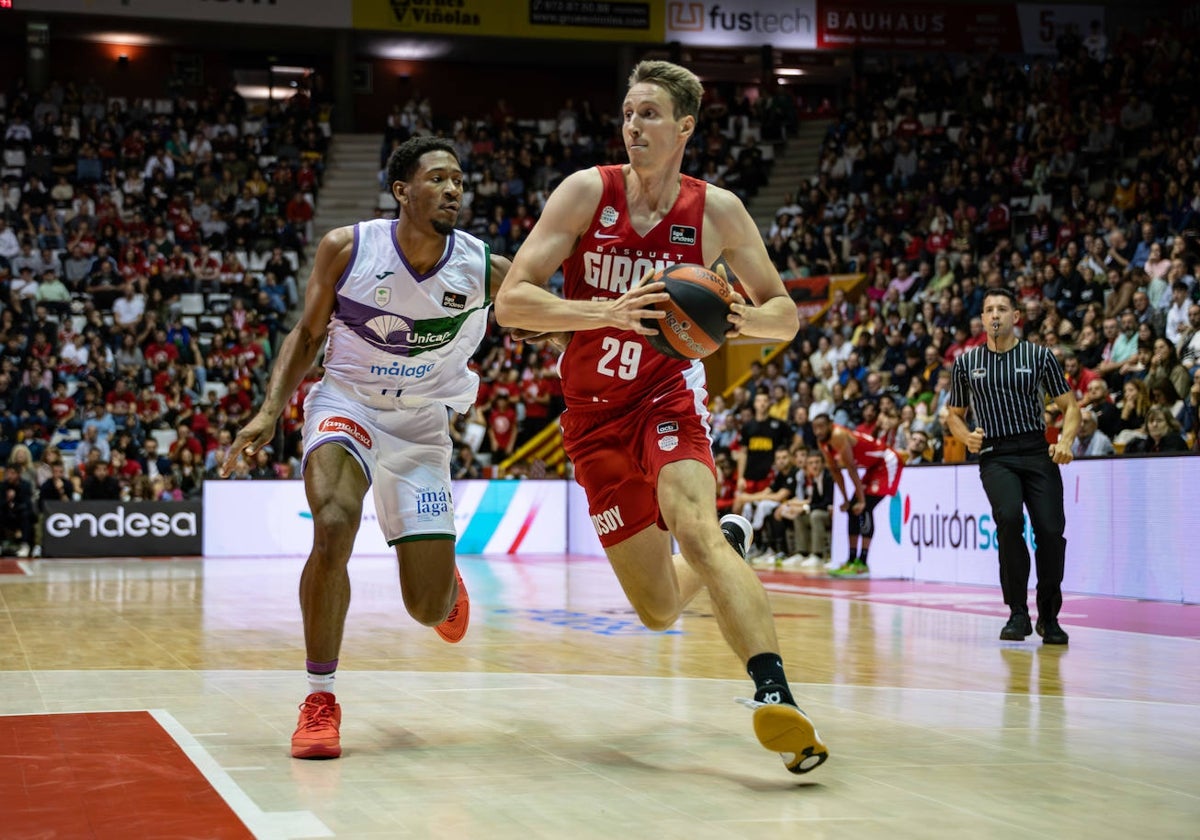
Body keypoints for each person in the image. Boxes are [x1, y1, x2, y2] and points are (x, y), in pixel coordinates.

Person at [494, 60, 828, 775]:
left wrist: (735, 321)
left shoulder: (718, 211)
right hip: (590, 420)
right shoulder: (587, 191)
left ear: (684, 127)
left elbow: (785, 315)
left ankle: (778, 696)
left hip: (665, 397)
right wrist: (603, 311)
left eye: (648, 114)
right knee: (656, 609)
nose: (633, 126)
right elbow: (512, 302)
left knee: (697, 532)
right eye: (627, 113)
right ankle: (729, 543)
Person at [222, 136, 511, 760]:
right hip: (346, 403)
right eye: (438, 179)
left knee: (426, 607)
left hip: (422, 428)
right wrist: (270, 411)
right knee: (332, 521)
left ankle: (444, 583)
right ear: (402, 191)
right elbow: (306, 333)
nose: (454, 189)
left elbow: (543, 322)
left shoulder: (485, 267)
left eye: (459, 180)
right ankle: (320, 696)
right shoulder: (348, 249)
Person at [945, 287, 1080, 645]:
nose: (994, 315)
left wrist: (1064, 441)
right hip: (995, 453)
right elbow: (953, 415)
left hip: (1036, 449)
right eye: (988, 309)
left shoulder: (1039, 356)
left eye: (1002, 309)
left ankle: (1048, 616)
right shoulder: (966, 363)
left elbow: (1072, 408)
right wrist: (965, 437)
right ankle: (1017, 612)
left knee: (1051, 532)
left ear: (1016, 317)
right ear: (982, 318)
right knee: (1008, 519)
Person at [809, 413, 904, 576]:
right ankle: (852, 560)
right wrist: (846, 499)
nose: (818, 431)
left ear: (830, 425)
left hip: (887, 461)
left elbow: (851, 468)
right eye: (815, 428)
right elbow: (835, 471)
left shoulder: (838, 435)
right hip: (873, 466)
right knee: (853, 509)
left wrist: (861, 500)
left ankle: (863, 563)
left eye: (821, 427)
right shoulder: (822, 442)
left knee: (864, 508)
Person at [778, 451, 835, 569]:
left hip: (832, 514)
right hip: (820, 511)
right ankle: (802, 553)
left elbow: (828, 502)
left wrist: (805, 507)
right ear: (807, 465)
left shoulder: (829, 477)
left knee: (815, 515)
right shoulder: (815, 479)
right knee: (800, 517)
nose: (814, 466)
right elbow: (814, 501)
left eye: (817, 462)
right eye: (811, 463)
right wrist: (801, 509)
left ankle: (818, 555)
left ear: (823, 464)